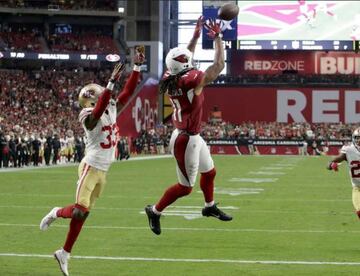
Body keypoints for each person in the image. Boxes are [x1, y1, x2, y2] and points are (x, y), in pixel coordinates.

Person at [39, 47, 145, 276]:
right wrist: (110, 83)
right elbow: (97, 112)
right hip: (90, 166)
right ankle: (57, 213)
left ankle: (63, 253)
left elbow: (127, 91)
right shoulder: (87, 115)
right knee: (78, 210)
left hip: (104, 171)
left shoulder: (110, 106)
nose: (100, 96)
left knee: (83, 213)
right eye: (96, 95)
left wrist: (137, 67)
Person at [144, 17, 232, 236]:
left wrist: (195, 36)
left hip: (191, 134)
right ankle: (155, 210)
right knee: (185, 187)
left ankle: (209, 206)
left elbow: (184, 59)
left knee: (210, 172)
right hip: (186, 140)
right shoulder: (190, 80)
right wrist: (219, 38)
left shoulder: (169, 75)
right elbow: (219, 66)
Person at [327, 128, 360, 218]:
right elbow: (332, 161)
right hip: (357, 188)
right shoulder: (349, 150)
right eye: (357, 137)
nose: (359, 140)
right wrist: (331, 164)